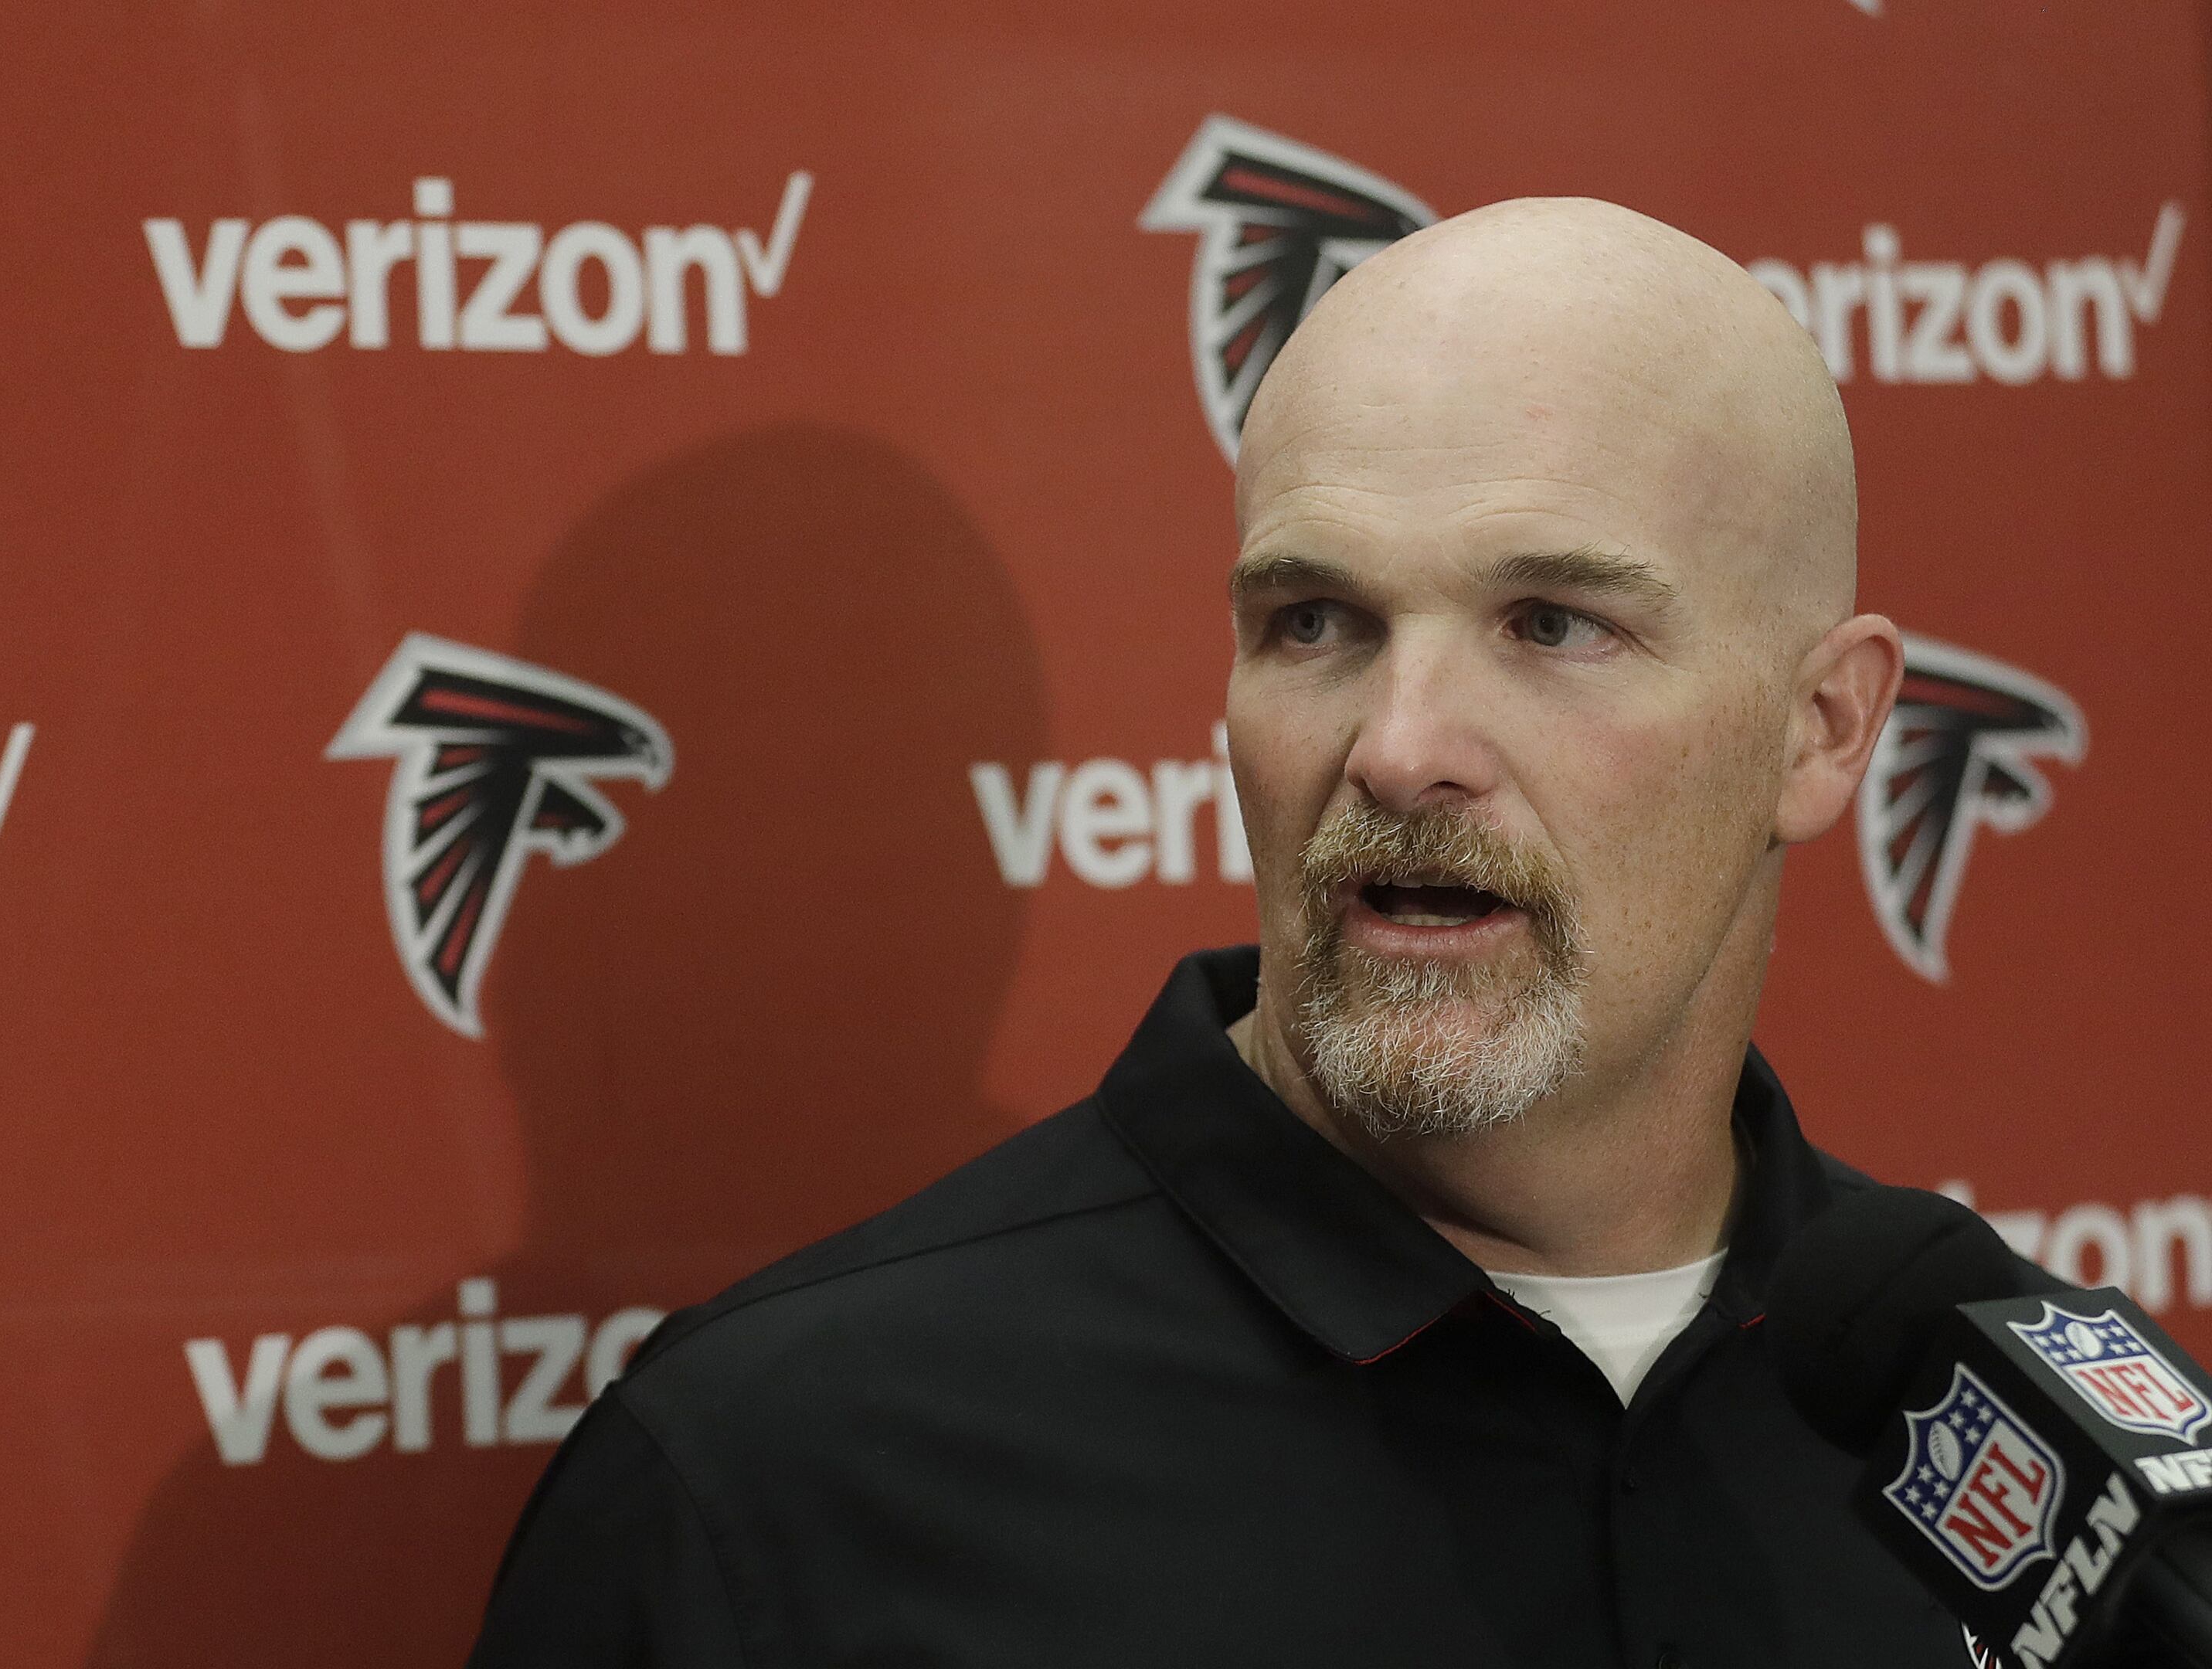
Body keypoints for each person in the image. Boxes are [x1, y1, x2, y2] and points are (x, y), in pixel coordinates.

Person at [465, 198, 1949, 1666]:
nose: (1398, 745)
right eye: (1316, 621)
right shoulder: (777, 1484)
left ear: (1824, 730)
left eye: (1552, 624)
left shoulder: (2023, 1434)